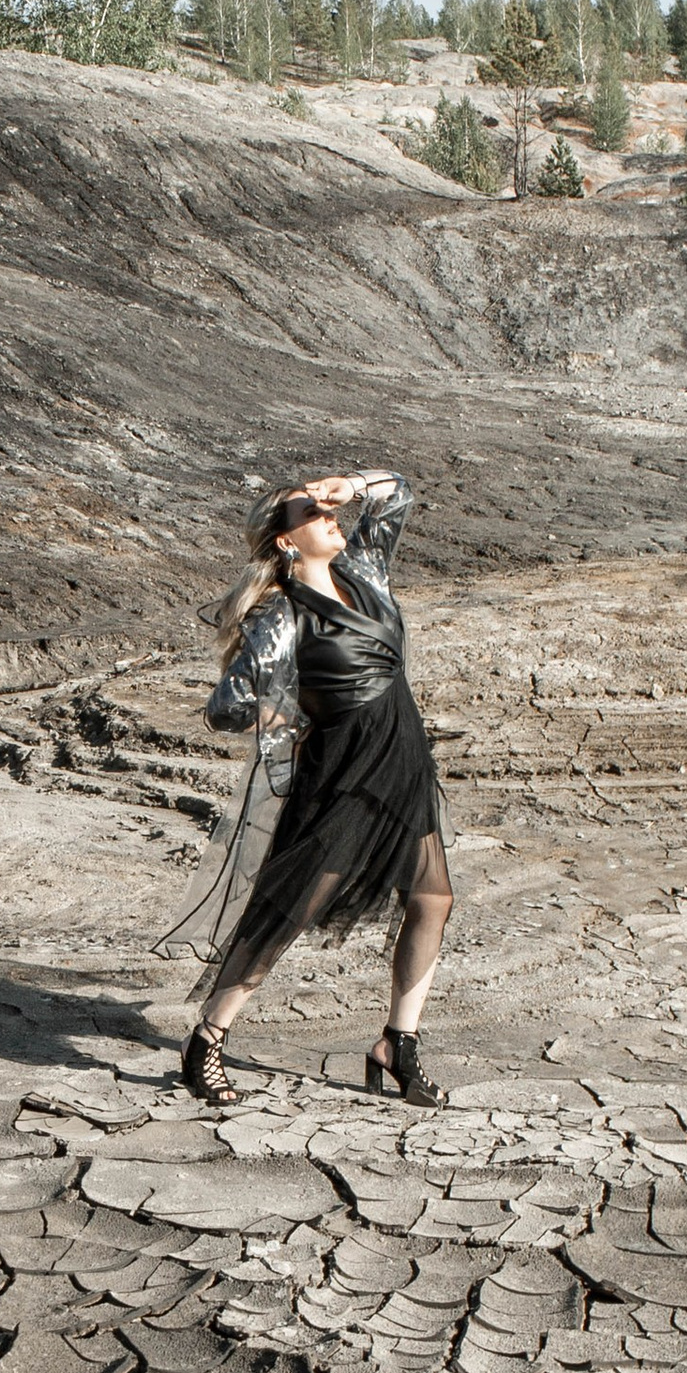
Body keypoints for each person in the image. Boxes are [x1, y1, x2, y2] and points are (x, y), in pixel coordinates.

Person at [169, 465, 453, 1109]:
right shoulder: (281, 614)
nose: (329, 519)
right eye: (310, 515)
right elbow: (225, 707)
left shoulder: (366, 573)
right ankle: (207, 1036)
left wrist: (346, 484)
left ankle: (397, 1044)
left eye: (327, 512)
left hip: (403, 761)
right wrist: (285, 713)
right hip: (343, 775)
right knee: (291, 908)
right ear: (286, 540)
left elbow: (398, 492)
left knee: (433, 898)